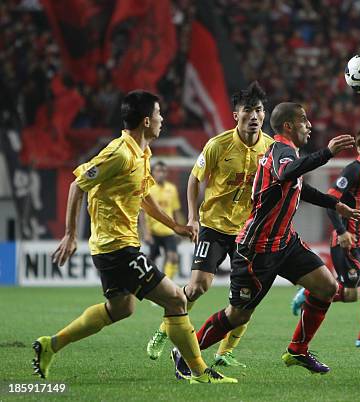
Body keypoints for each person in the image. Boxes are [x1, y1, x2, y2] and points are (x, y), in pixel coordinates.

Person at [32, 90, 236, 384]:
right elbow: (78, 185)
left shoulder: (142, 153)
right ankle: (200, 372)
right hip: (118, 248)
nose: (162, 119)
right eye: (158, 114)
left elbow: (142, 197)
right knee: (177, 300)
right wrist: (70, 235)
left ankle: (51, 345)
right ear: (145, 120)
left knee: (121, 308)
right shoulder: (120, 153)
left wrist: (175, 226)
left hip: (114, 248)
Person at [171, 102, 360, 376]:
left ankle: (297, 350)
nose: (309, 125)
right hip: (257, 250)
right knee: (237, 315)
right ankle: (184, 354)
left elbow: (298, 185)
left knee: (326, 287)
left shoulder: (289, 155)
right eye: (303, 121)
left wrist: (334, 204)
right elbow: (288, 172)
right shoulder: (280, 152)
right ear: (288, 126)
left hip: (285, 243)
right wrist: (328, 153)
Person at [146, 82, 275, 369]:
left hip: (248, 231)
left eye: (259, 110)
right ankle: (164, 330)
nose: (254, 116)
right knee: (197, 287)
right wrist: (192, 217)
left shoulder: (271, 148)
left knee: (248, 297)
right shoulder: (218, 145)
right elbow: (194, 179)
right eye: (248, 110)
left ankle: (225, 352)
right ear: (235, 115)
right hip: (214, 226)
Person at [292, 124, 360, 348]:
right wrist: (342, 232)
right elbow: (330, 202)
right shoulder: (353, 170)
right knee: (351, 292)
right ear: (359, 148)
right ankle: (308, 292)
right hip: (346, 242)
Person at [142, 161, 182, 279]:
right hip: (153, 231)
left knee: (173, 257)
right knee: (151, 260)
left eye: (163, 171)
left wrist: (178, 228)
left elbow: (175, 211)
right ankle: (149, 284)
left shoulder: (172, 188)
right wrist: (146, 233)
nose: (161, 174)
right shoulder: (148, 189)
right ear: (153, 173)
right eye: (158, 171)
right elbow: (142, 213)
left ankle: (167, 283)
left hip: (168, 230)